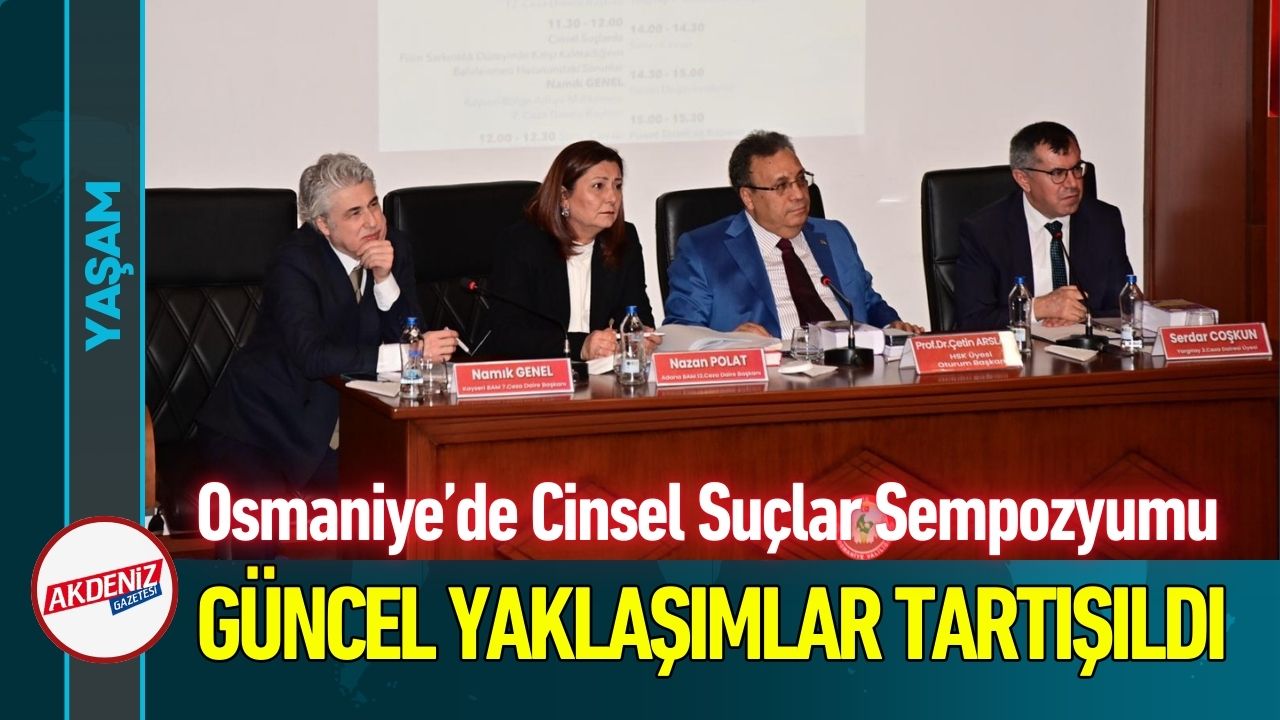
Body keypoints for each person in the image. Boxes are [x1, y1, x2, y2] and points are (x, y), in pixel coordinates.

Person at [193, 153, 458, 501]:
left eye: (373, 204)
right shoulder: (294, 262)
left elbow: (411, 332)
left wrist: (384, 280)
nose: (373, 222)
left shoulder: (394, 248)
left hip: (349, 422)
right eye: (354, 213)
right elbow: (313, 357)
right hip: (262, 428)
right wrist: (409, 354)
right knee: (273, 522)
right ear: (323, 224)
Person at [664, 130, 922, 340]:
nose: (798, 194)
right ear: (748, 198)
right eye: (781, 186)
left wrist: (892, 326)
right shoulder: (703, 250)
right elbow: (680, 334)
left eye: (800, 180)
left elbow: (868, 303)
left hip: (851, 369)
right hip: (773, 378)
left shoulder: (834, 235)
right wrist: (731, 343)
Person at [487, 140, 660, 360]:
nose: (613, 197)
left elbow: (636, 312)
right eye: (599, 186)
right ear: (564, 197)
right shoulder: (522, 243)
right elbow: (507, 333)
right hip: (539, 372)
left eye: (617, 186)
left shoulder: (625, 239)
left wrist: (640, 336)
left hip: (602, 373)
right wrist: (581, 346)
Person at [954, 121, 1134, 330]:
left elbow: (1123, 307)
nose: (1073, 183)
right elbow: (972, 320)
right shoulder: (985, 231)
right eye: (1057, 173)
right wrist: (1038, 308)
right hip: (1021, 347)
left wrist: (1082, 317)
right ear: (1023, 179)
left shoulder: (1103, 221)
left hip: (1088, 346)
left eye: (1076, 169)